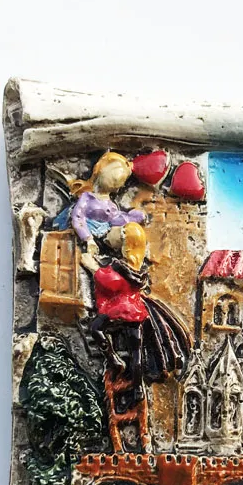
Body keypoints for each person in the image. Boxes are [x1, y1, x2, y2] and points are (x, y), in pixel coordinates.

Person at [79, 222, 191, 400]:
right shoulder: (136, 268)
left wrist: (92, 267)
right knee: (136, 353)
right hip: (137, 311)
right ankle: (138, 387)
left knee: (96, 328)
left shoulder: (122, 267)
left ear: (126, 244)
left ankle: (113, 358)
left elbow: (110, 282)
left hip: (120, 310)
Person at [52, 152, 145, 251]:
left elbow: (115, 219)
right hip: (81, 237)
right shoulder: (87, 198)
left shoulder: (111, 206)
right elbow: (77, 217)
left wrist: (132, 218)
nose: (114, 181)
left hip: (102, 239)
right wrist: (88, 238)